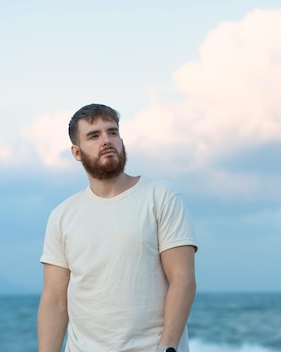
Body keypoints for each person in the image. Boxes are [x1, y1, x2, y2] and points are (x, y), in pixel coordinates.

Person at [37, 103, 198, 352]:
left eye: (112, 132)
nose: (107, 140)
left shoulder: (161, 197)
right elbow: (55, 302)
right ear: (77, 153)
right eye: (94, 135)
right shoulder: (62, 216)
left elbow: (182, 279)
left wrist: (168, 347)